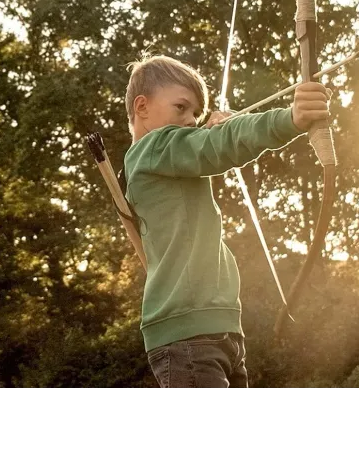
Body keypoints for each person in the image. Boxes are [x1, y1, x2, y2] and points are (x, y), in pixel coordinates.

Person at [123, 54, 331, 388]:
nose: (191, 120)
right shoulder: (152, 149)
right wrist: (291, 118)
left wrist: (218, 132)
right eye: (181, 107)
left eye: (196, 113)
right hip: (188, 335)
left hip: (216, 329)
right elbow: (219, 146)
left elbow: (210, 145)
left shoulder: (162, 158)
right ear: (142, 107)